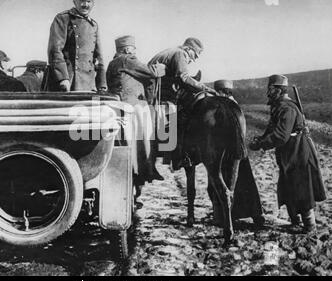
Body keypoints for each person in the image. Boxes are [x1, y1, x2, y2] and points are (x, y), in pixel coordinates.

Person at [249, 74, 326, 233]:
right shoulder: (278, 106)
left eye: (270, 89)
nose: (268, 92)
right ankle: (295, 222)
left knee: (301, 189)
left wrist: (262, 144)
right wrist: (261, 138)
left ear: (278, 90)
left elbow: (281, 135)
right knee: (288, 186)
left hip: (298, 152)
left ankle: (310, 226)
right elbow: (272, 129)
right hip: (289, 153)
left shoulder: (287, 108)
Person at [148, 37, 215, 170]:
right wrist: (205, 88)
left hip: (155, 90)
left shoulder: (171, 51)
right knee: (176, 119)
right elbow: (184, 77)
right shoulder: (180, 54)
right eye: (194, 55)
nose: (194, 59)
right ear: (188, 49)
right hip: (157, 95)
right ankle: (175, 157)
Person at [106, 35, 166, 182]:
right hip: (132, 107)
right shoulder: (127, 60)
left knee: (129, 142)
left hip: (120, 105)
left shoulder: (112, 63)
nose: (134, 52)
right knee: (142, 140)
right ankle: (143, 173)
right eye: (133, 49)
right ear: (127, 49)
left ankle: (137, 174)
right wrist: (161, 67)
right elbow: (151, 72)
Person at [211, 79, 265, 226]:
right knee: (246, 184)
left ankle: (223, 217)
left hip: (227, 153)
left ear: (221, 92)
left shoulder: (223, 106)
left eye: (217, 92)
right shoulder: (235, 105)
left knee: (222, 182)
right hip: (239, 152)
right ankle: (255, 214)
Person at [46, 0, 106, 92]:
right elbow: (55, 50)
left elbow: (99, 57)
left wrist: (102, 83)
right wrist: (63, 78)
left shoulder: (94, 25)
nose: (85, 5)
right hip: (68, 81)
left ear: (93, 4)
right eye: (82, 1)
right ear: (74, 1)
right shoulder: (63, 18)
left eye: (89, 1)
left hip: (88, 83)